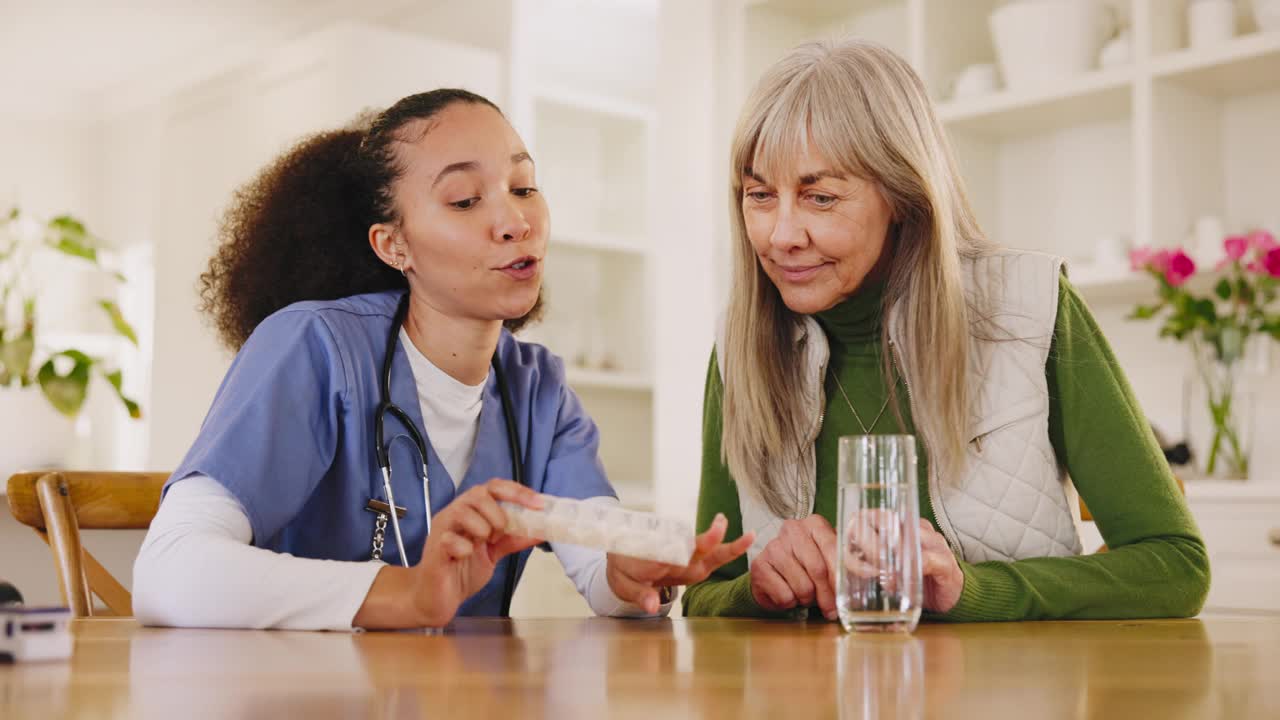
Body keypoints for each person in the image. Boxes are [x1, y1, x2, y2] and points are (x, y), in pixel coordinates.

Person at [133, 88, 750, 630]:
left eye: (524, 187)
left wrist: (631, 568)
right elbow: (169, 570)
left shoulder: (537, 390)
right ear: (393, 243)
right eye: (463, 200)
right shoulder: (314, 347)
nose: (514, 221)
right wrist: (408, 595)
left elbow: (598, 557)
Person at [681, 41, 1209, 622]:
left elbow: (1175, 565)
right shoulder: (740, 347)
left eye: (820, 197)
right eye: (759, 195)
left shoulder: (1029, 310)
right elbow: (705, 595)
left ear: (903, 196)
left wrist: (974, 590)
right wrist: (754, 590)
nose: (781, 235)